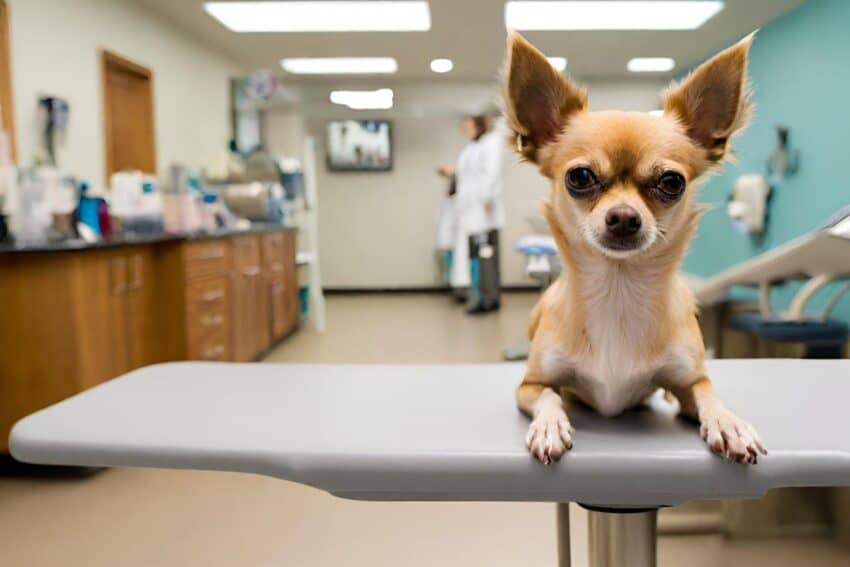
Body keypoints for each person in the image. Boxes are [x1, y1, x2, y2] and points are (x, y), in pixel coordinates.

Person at [437, 113, 504, 314]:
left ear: (479, 125)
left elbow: (491, 174)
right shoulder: (472, 147)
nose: (466, 130)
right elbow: (468, 177)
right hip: (471, 212)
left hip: (483, 212)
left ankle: (488, 299)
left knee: (484, 256)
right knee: (475, 256)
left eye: (469, 126)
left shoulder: (491, 143)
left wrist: (486, 200)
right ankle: (479, 296)